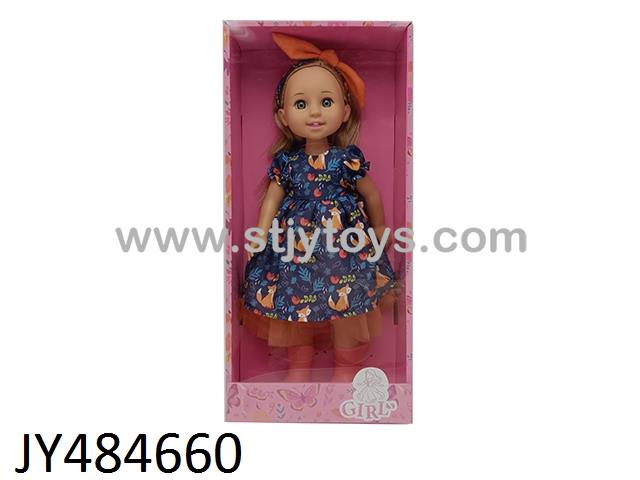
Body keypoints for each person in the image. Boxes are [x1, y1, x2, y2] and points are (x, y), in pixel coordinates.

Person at [240, 32, 398, 382]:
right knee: (296, 305)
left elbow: (371, 195)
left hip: (344, 249)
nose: (314, 112)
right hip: (294, 250)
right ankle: (298, 369)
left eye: (326, 102)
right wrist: (261, 233)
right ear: (283, 116)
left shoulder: (346, 160)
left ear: (345, 111)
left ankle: (346, 369)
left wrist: (379, 228)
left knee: (348, 305)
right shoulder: (287, 163)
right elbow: (273, 197)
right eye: (301, 104)